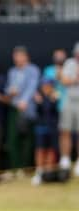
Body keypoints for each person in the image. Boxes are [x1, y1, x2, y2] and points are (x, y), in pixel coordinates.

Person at [5, 45, 40, 174]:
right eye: (15, 56)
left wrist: (24, 100)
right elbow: (8, 88)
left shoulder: (33, 70)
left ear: (26, 56)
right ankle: (16, 167)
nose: (17, 58)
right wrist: (10, 92)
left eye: (19, 56)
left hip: (27, 110)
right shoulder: (12, 71)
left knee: (27, 139)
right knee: (13, 139)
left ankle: (26, 168)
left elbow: (32, 86)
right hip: (14, 109)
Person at [32, 78, 59, 185]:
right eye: (44, 86)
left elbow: (53, 110)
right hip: (41, 128)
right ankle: (39, 172)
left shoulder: (55, 97)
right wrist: (40, 102)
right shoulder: (38, 98)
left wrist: (52, 100)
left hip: (52, 128)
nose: (46, 88)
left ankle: (48, 173)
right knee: (40, 150)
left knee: (51, 150)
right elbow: (40, 111)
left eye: (48, 86)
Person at [58, 42, 79, 177]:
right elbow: (64, 81)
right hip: (68, 101)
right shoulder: (69, 63)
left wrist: (73, 79)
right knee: (65, 130)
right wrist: (76, 78)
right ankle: (65, 159)